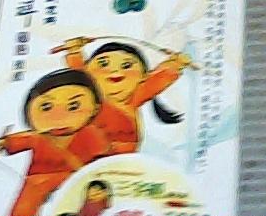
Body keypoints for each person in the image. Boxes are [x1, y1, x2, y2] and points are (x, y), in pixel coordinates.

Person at [0, 69, 109, 216]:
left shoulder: (90, 133)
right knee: (31, 191)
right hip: (39, 177)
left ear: (95, 108)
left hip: (76, 173)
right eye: (46, 107)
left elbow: (101, 154)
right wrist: (6, 142)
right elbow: (22, 139)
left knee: (90, 194)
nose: (59, 116)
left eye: (74, 106)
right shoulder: (38, 137)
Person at [60, 39, 191, 154]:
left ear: (143, 76)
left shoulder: (136, 95)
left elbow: (160, 77)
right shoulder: (87, 94)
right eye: (103, 64)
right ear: (88, 70)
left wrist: (177, 63)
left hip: (122, 156)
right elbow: (78, 71)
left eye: (127, 66)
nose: (115, 71)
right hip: (86, 153)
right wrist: (74, 50)